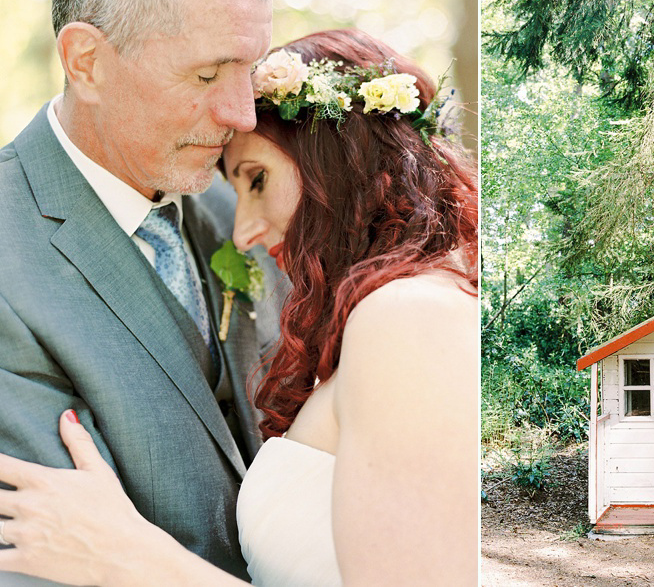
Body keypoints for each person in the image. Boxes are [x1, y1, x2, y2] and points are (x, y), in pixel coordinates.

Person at [0, 29, 479, 585]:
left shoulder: (408, 316)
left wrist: (132, 560)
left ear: (342, 160)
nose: (243, 231)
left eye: (258, 179)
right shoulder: (398, 304)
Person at [0, 0, 281, 582]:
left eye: (251, 70)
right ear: (87, 62)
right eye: (209, 75)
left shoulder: (243, 200)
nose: (242, 114)